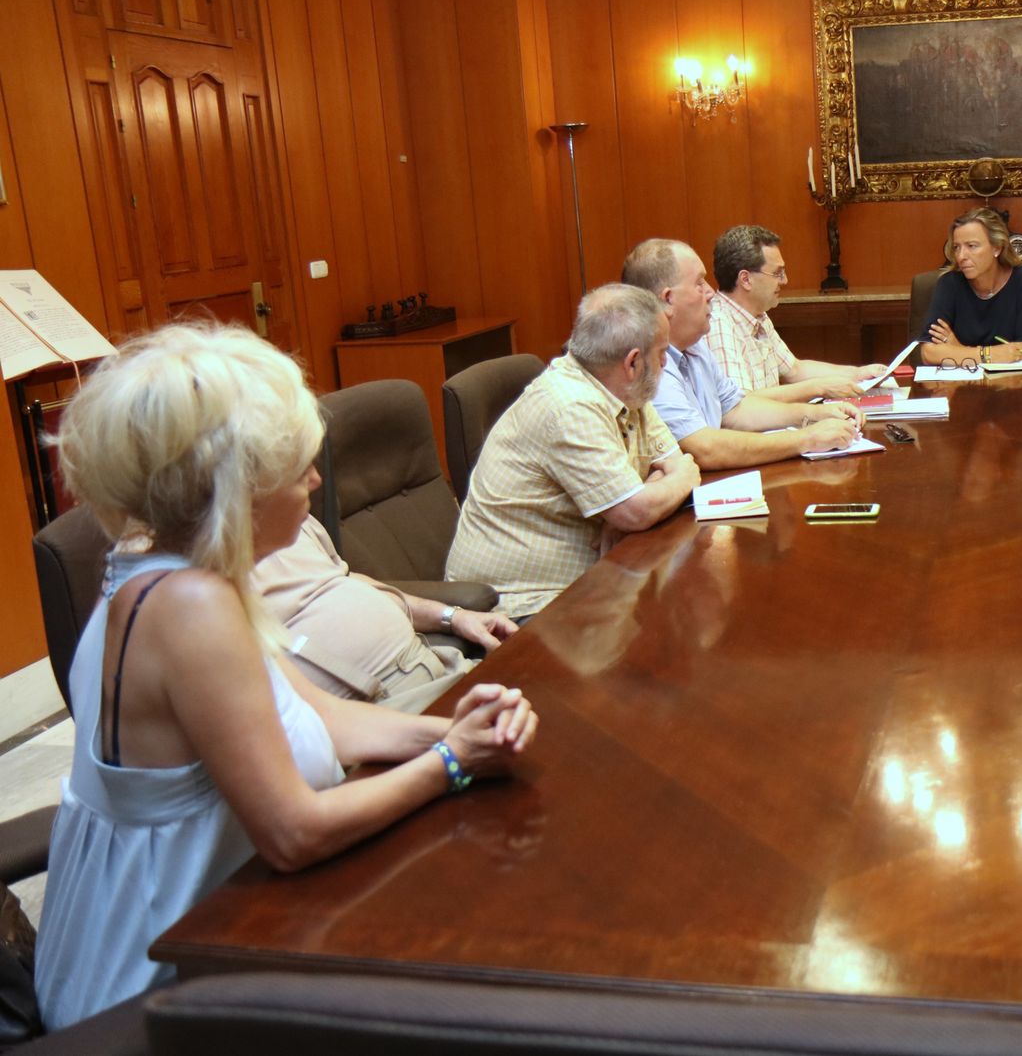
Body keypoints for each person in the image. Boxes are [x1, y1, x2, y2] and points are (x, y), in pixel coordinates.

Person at [34, 323, 536, 1030]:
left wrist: (451, 730)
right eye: (298, 466)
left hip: (218, 933)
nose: (315, 481)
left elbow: (319, 715)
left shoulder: (167, 567)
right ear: (236, 484)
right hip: (154, 991)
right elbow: (293, 834)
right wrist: (453, 764)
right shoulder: (189, 608)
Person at [447, 283, 700, 619]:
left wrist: (632, 505)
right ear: (634, 362)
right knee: (674, 636)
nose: (666, 362)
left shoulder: (626, 388)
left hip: (598, 580)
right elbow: (646, 503)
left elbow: (668, 463)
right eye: (662, 352)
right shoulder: (569, 405)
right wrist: (656, 493)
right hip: (522, 605)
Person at [621, 238, 863, 470]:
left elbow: (736, 410)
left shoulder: (694, 346)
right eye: (699, 283)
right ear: (668, 299)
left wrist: (815, 414)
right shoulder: (649, 363)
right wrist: (807, 439)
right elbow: (703, 448)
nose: (710, 293)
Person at [255, 516, 519, 713]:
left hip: (443, 670)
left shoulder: (294, 520)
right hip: (383, 713)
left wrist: (453, 617)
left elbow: (345, 580)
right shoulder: (219, 583)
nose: (316, 479)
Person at [706, 224, 886, 399]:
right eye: (777, 273)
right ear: (745, 279)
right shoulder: (717, 323)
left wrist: (858, 373)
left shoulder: (758, 315)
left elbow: (794, 370)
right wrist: (819, 388)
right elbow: (742, 403)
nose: (784, 281)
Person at [918, 207, 1022, 366]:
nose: (961, 256)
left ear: (997, 247)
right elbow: (929, 353)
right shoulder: (949, 283)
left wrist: (958, 349)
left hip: (1011, 385)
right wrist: (989, 354)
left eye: (972, 246)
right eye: (957, 247)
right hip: (959, 387)